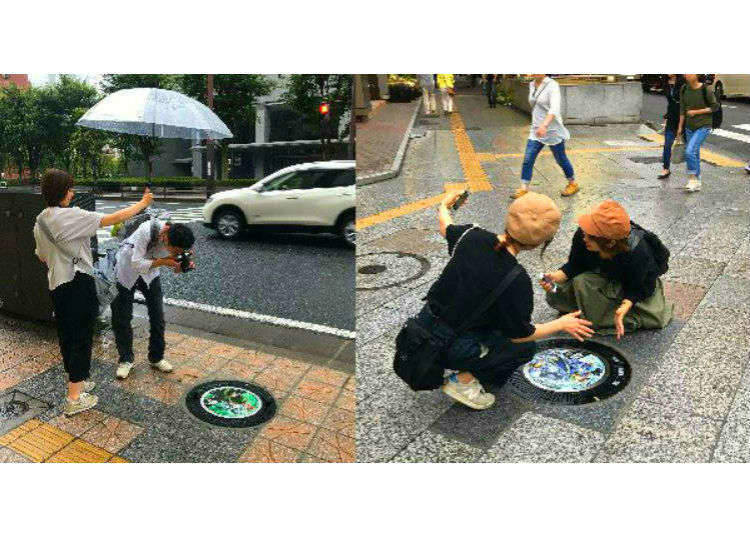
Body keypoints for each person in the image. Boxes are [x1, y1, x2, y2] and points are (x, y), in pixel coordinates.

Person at [408, 191, 594, 410]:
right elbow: (520, 336)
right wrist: (561, 324)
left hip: (422, 329)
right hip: (452, 347)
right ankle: (464, 381)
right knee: (524, 349)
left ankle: (466, 358)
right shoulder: (517, 279)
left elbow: (445, 226)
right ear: (539, 243)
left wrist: (444, 206)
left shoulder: (472, 236)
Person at [33, 169, 153, 416]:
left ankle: (77, 380)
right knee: (81, 338)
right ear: (62, 192)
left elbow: (42, 256)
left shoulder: (41, 220)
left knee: (67, 334)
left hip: (57, 285)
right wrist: (143, 203)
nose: (72, 192)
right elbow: (114, 218)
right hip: (78, 283)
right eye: (69, 188)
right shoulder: (73, 216)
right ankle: (75, 398)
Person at [542, 200, 673, 339]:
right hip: (601, 274)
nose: (584, 237)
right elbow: (575, 264)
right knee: (560, 289)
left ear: (610, 243)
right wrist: (556, 276)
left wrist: (625, 305)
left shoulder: (638, 252)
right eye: (585, 232)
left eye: (590, 237)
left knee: (584, 284)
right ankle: (594, 308)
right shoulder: (583, 234)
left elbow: (641, 286)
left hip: (633, 284)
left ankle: (601, 312)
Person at [111, 219, 196, 379]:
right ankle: (126, 360)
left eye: (179, 252)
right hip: (126, 270)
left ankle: (156, 357)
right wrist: (164, 261)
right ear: (165, 238)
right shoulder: (146, 231)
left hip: (150, 273)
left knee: (158, 315)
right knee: (122, 317)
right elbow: (136, 262)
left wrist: (179, 265)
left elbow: (174, 264)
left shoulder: (176, 237)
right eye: (174, 250)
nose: (175, 254)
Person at [513, 74, 580, 200]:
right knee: (528, 159)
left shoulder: (552, 85)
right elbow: (536, 106)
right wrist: (538, 125)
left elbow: (554, 109)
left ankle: (572, 183)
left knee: (561, 159)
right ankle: (524, 188)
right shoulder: (532, 84)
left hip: (552, 129)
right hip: (536, 129)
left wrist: (544, 125)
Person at [677, 74, 719, 192]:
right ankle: (698, 180)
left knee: (689, 151)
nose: (686, 74)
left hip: (704, 125)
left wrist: (697, 112)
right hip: (689, 127)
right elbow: (682, 109)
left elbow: (715, 107)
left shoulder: (706, 89)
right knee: (695, 153)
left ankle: (692, 179)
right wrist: (680, 127)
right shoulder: (684, 88)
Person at [658, 74, 685, 180]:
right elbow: (671, 103)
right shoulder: (666, 83)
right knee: (667, 144)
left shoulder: (683, 81)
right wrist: (667, 115)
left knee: (690, 146)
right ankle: (666, 168)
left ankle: (694, 173)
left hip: (685, 117)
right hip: (672, 118)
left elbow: (685, 102)